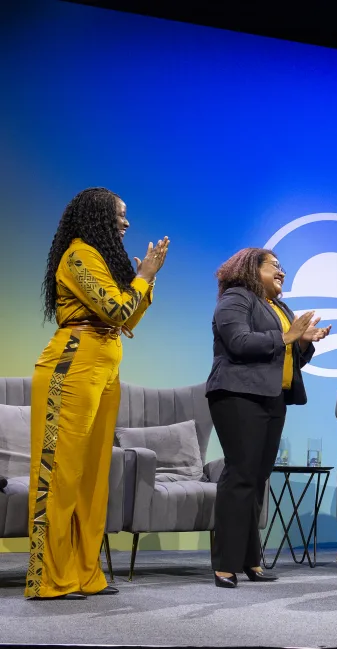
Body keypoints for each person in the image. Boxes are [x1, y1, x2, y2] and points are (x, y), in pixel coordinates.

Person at [27, 187, 169, 600]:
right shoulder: (77, 256)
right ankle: (50, 578)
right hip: (73, 363)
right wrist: (141, 279)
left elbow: (129, 319)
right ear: (98, 216)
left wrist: (146, 280)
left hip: (106, 363)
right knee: (61, 475)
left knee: (92, 479)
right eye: (120, 215)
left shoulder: (101, 258)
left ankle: (86, 572)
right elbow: (117, 309)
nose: (126, 222)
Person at [206, 248, 331, 588]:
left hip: (272, 398)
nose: (282, 273)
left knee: (257, 478)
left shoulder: (280, 307)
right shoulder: (236, 298)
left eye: (282, 267)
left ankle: (250, 560)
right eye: (274, 266)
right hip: (237, 395)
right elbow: (239, 342)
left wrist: (303, 344)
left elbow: (286, 359)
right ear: (251, 268)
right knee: (240, 475)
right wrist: (287, 337)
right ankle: (225, 563)